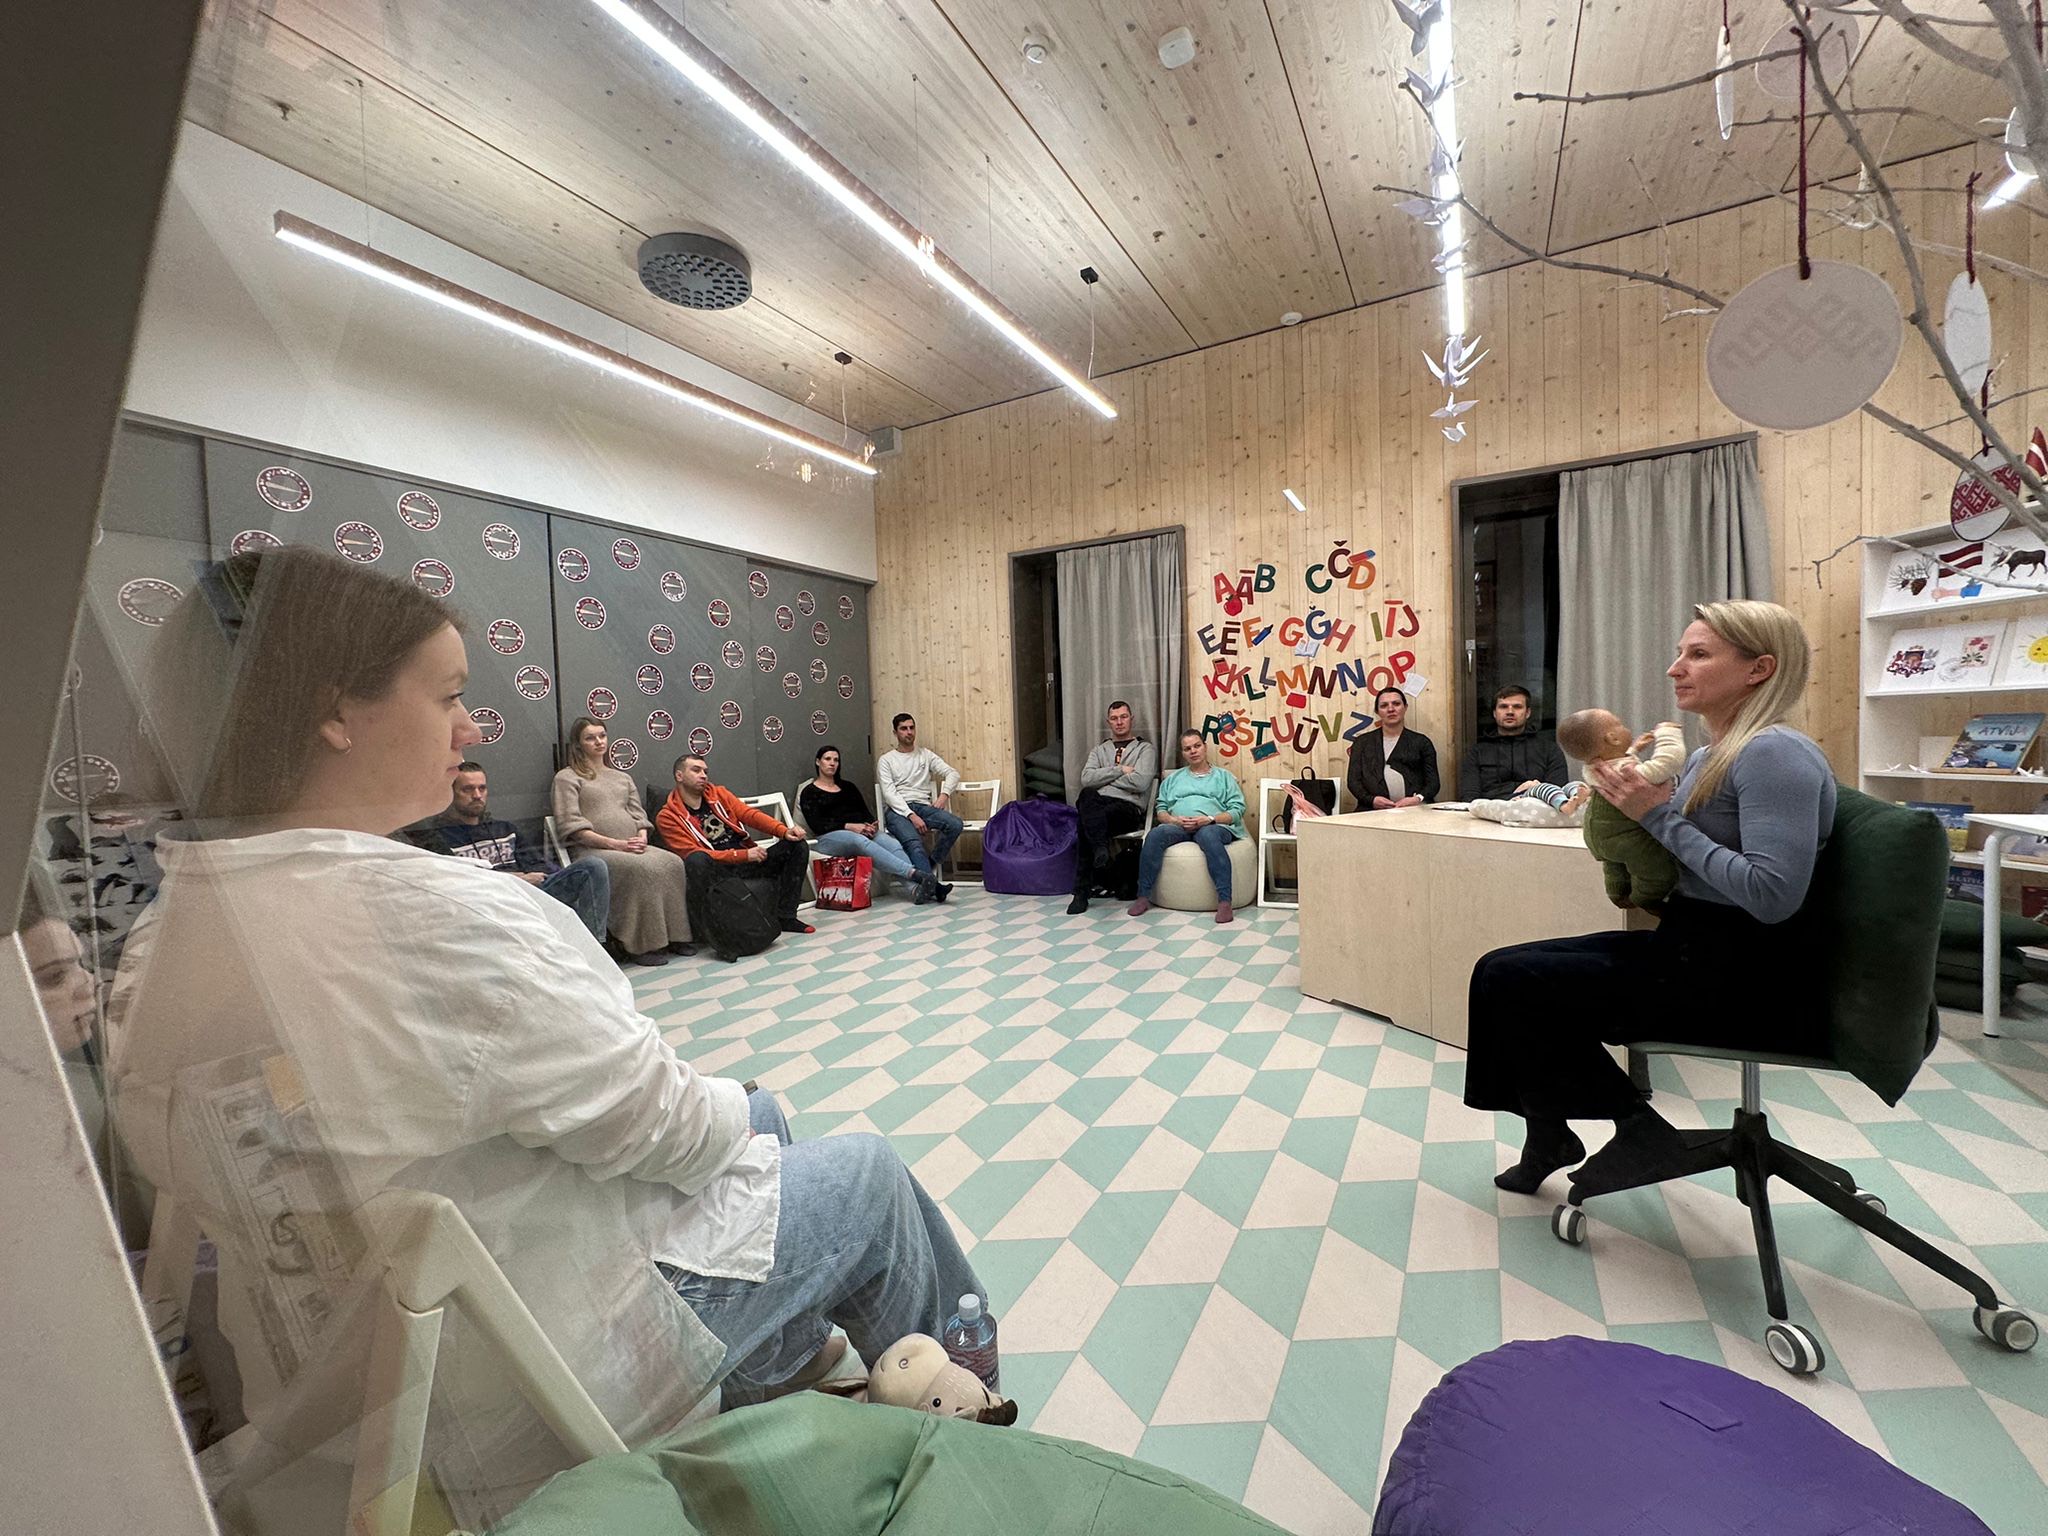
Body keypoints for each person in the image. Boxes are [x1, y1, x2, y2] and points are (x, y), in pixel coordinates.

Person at [106, 549, 986, 1523]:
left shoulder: (158, 946)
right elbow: (674, 1132)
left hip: (341, 1392)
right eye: (448, 696)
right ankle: (981, 1441)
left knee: (762, 1116)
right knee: (861, 1174)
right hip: (523, 1386)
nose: (471, 729)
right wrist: (726, 1110)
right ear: (336, 713)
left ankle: (780, 1383)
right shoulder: (443, 921)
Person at [1463, 600, 1836, 1196]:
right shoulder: (1710, 756)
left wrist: (1654, 816)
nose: (1674, 668)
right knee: (1494, 969)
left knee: (1516, 983)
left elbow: (1771, 895)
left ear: (1759, 669)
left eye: (1698, 654)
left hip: (1749, 973)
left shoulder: (1773, 753)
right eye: (1680, 652)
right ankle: (1550, 1132)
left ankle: (1635, 1128)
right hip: (1693, 943)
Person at [551, 717, 691, 966]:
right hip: (593, 851)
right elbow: (571, 825)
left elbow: (639, 816)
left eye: (602, 736)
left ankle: (675, 936)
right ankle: (640, 945)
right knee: (642, 869)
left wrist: (641, 837)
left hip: (632, 846)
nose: (598, 742)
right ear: (578, 744)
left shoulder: (622, 777)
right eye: (590, 738)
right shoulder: (567, 778)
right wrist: (616, 845)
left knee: (672, 863)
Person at [416, 761, 611, 940]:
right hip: (488, 903)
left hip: (530, 895)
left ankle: (594, 945)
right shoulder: (439, 837)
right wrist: (515, 879)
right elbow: (458, 882)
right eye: (468, 789)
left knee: (592, 867)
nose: (477, 795)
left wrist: (536, 878)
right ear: (450, 793)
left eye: (482, 788)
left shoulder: (505, 829)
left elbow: (538, 864)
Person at [656, 753, 816, 955]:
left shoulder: (719, 794)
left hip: (747, 861)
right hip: (717, 871)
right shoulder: (667, 817)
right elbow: (692, 852)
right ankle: (713, 932)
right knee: (697, 860)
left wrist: (784, 831)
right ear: (679, 776)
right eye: (696, 770)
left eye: (705, 771)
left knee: (796, 846)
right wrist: (742, 855)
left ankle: (786, 916)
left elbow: (749, 815)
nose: (703, 775)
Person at [799, 745, 946, 905]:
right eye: (828, 759)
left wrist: (870, 825)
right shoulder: (809, 792)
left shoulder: (848, 787)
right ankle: (915, 874)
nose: (832, 763)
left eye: (836, 760)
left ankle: (916, 890)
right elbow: (817, 825)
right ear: (818, 762)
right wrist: (850, 826)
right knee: (859, 841)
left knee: (892, 843)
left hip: (859, 831)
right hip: (827, 838)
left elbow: (865, 813)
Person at [1128, 729, 1246, 924]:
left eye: (1197, 746)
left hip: (1213, 826)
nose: (1193, 751)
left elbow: (1237, 810)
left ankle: (1225, 901)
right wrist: (1173, 820)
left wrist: (1209, 819)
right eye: (1187, 748)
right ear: (1183, 753)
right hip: (1179, 826)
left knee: (1208, 835)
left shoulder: (1224, 777)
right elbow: (1161, 810)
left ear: (1205, 747)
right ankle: (1143, 896)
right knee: (1155, 835)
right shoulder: (1173, 779)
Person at [1068, 700, 1158, 916]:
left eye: (1123, 717)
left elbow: (1140, 782)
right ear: (1108, 722)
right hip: (1099, 804)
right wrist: (1120, 770)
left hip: (1128, 809)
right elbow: (1087, 779)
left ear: (1131, 719)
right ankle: (1100, 848)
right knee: (1087, 794)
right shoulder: (1099, 750)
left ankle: (1081, 893)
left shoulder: (1144, 749)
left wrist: (1104, 778)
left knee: (1085, 822)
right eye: (1114, 718)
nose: (1119, 722)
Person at [877, 713, 963, 884]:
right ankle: (932, 885)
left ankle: (929, 867)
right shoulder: (886, 760)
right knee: (915, 844)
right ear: (895, 733)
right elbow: (889, 794)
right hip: (898, 810)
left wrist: (944, 795)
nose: (909, 732)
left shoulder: (925, 755)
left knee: (955, 824)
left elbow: (952, 773)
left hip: (923, 807)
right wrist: (911, 815)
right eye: (903, 729)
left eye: (911, 728)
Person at [1458, 684, 1569, 801]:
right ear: (1494, 713)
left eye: (1517, 707)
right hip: (1490, 810)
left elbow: (1557, 795)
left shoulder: (1549, 750)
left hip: (1534, 809)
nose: (1510, 712)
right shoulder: (1477, 752)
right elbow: (1469, 797)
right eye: (1503, 707)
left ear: (1527, 713)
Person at [1347, 685, 1440, 809]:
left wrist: (1417, 799)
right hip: (1370, 811)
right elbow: (1353, 781)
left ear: (1405, 707)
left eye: (1396, 704)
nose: (1391, 709)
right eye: (1384, 705)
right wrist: (1371, 800)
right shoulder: (1361, 743)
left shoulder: (1422, 742)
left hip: (1415, 811)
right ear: (1377, 711)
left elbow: (1433, 783)